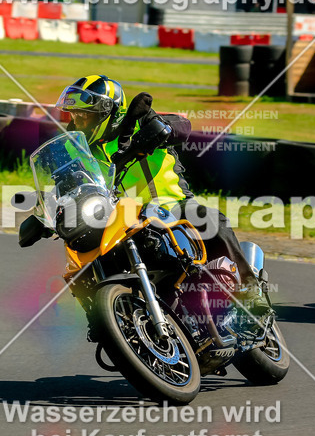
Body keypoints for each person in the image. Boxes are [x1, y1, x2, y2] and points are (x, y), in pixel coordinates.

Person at [56, 74, 265, 298]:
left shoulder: (139, 120)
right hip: (124, 219)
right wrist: (48, 212)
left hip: (173, 206)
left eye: (84, 115)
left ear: (107, 112)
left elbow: (183, 126)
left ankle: (250, 290)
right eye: (74, 115)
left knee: (213, 221)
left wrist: (161, 129)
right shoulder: (78, 148)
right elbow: (67, 184)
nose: (77, 121)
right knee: (85, 267)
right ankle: (105, 324)